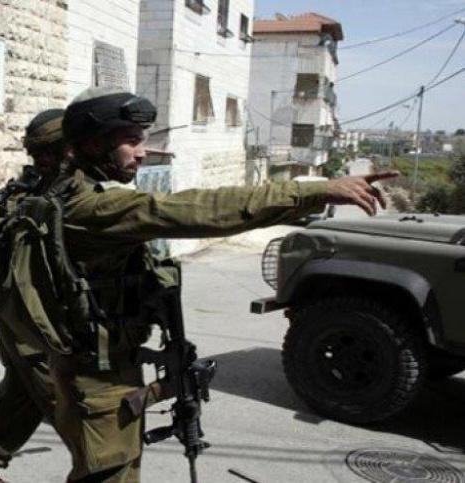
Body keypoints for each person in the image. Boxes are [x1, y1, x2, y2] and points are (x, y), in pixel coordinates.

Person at [41, 87, 395, 482]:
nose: (141, 152)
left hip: (96, 367)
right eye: (131, 141)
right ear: (93, 145)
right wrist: (315, 190)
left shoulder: (65, 189)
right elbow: (201, 209)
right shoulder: (94, 207)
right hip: (97, 379)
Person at [0, 108, 67, 483]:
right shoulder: (33, 194)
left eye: (48, 151)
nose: (42, 159)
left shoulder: (50, 188)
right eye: (39, 152)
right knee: (74, 411)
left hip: (27, 319)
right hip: (31, 322)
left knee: (22, 392)